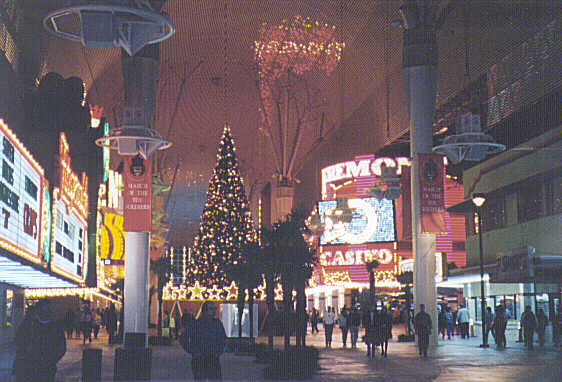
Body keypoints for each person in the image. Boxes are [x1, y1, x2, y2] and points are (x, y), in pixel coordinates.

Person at [12, 300, 66, 382]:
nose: (47, 311)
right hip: (29, 366)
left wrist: (50, 360)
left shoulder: (56, 328)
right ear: (39, 310)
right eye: (45, 309)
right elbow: (19, 341)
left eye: (48, 309)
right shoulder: (28, 325)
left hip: (47, 368)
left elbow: (61, 347)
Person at [183, 301, 227, 380]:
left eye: (215, 309)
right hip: (200, 359)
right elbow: (183, 339)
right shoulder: (196, 324)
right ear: (204, 311)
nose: (214, 311)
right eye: (211, 309)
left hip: (213, 359)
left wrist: (219, 351)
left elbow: (223, 339)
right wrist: (193, 351)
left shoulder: (217, 323)